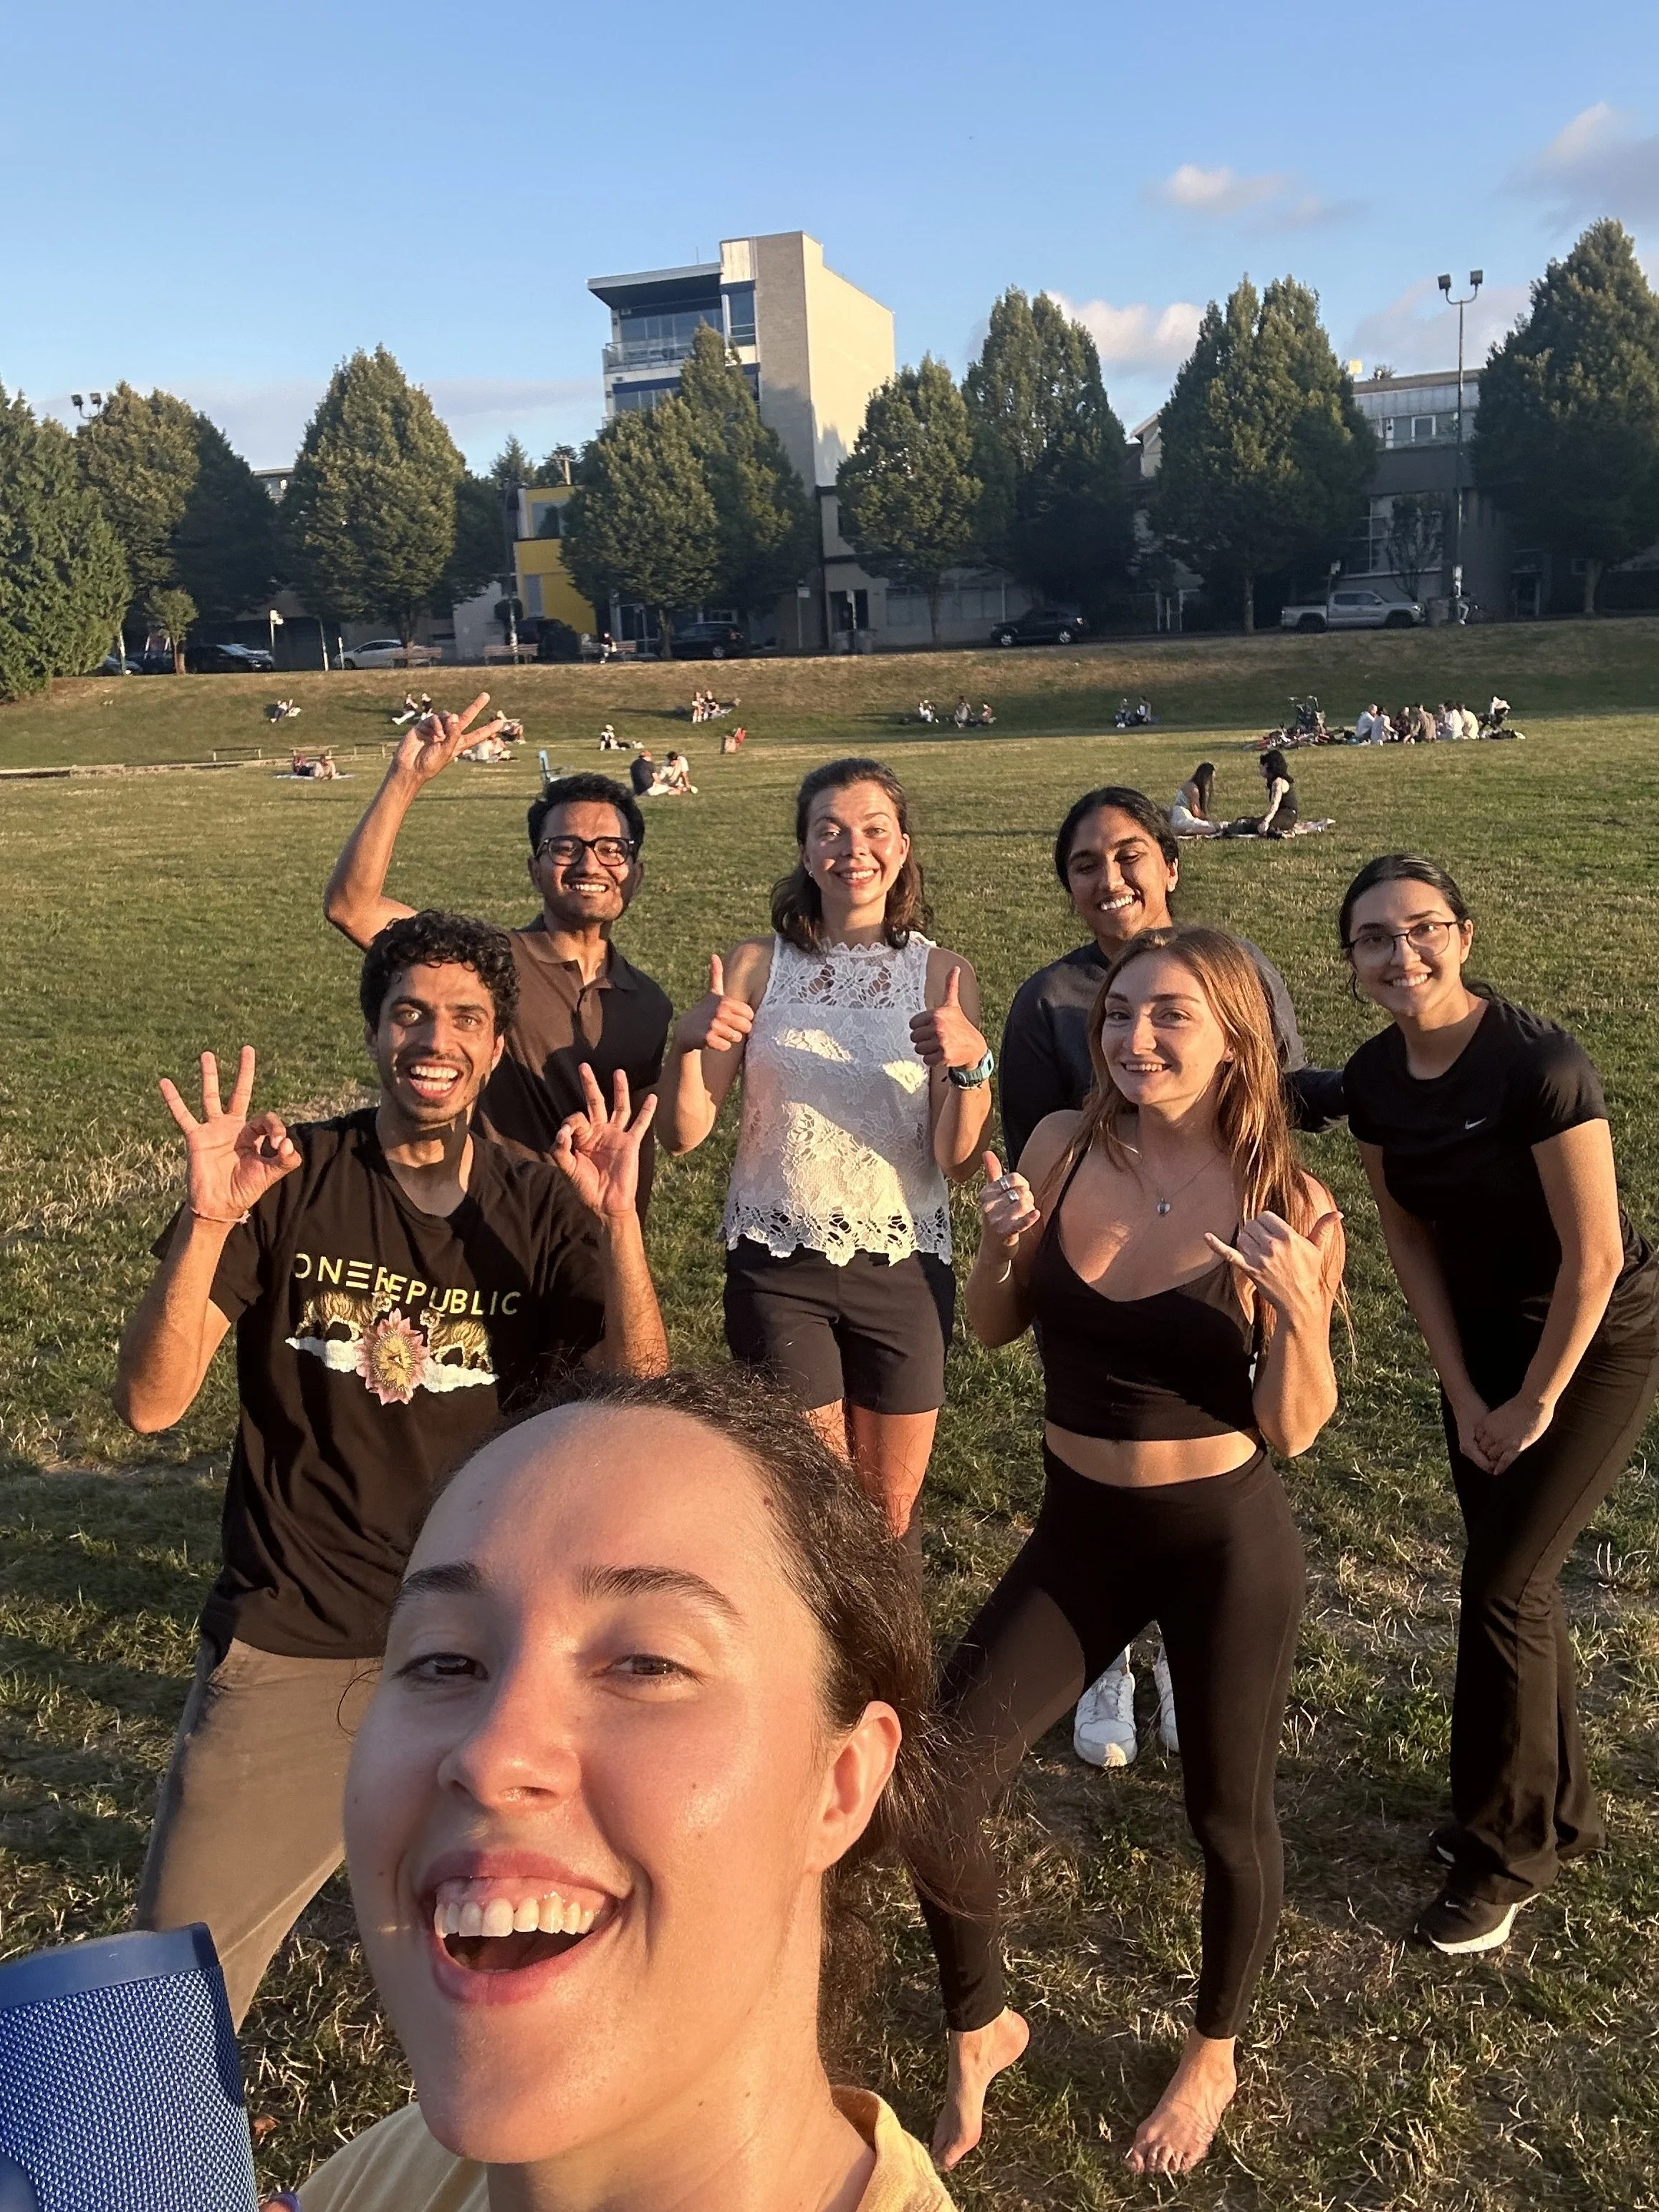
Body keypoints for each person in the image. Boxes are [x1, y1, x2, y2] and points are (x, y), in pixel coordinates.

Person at [115, 912, 668, 2025]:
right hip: (298, 1636)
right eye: (409, 1010)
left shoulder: (536, 1203)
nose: (435, 1037)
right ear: (375, 1030)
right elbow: (151, 1402)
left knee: (529, 1986)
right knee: (164, 2010)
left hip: (480, 1649)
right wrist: (209, 1221)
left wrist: (619, 1225)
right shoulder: (291, 1181)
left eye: (466, 1017)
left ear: (498, 1048)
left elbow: (637, 1409)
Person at [285, 1369, 957, 2212]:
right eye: (445, 1660)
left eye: (647, 1663)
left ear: (842, 1786)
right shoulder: (390, 2173)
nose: (493, 1754)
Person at [918, 926, 1344, 2178]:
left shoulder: (1288, 1198)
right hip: (1080, 1529)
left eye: (1169, 1017)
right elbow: (996, 1329)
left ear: (1232, 1038)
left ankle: (1213, 2047)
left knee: (1225, 1815)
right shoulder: (1057, 1144)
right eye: (1118, 1015)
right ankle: (982, 2019)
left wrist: (1302, 1313)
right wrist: (1001, 1245)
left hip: (1222, 1543)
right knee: (938, 1782)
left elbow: (1294, 1429)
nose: (1135, 1039)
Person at [1340, 856, 1659, 1955]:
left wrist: (1535, 1400)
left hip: (1598, 1335)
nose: (1401, 955)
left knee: (1507, 1585)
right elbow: (1408, 1237)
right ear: (1352, 964)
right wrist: (1466, 1387)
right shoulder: (1374, 1082)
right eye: (1374, 939)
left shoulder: (1540, 1065)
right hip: (1480, 1348)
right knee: (1516, 1583)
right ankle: (1556, 1807)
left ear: (1465, 937)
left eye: (1423, 930)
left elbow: (1599, 1254)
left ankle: (1507, 1854)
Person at [999, 787, 1344, 1769]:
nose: (1109, 879)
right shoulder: (1048, 1000)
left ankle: (1198, 1653)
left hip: (1209, 1273)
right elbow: (1036, 1159)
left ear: (1171, 862)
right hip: (1102, 1267)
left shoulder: (1241, 975)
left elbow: (1276, 1099)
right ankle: (1103, 1663)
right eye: (1083, 864)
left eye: (1129, 854)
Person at [657, 759, 994, 1549]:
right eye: (831, 831)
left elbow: (955, 1156)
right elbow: (685, 1133)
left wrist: (971, 1063)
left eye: (875, 829)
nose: (854, 848)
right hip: (780, 1267)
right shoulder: (754, 965)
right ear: (806, 853)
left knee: (891, 1520)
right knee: (811, 1515)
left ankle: (889, 1675)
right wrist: (686, 1046)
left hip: (904, 1266)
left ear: (903, 846)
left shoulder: (944, 976)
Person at [324, 703, 673, 1205]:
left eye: (612, 849)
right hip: (487, 1229)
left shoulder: (650, 1003)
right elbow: (352, 907)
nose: (589, 863)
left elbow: (634, 1142)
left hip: (589, 1242)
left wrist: (622, 1240)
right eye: (565, 847)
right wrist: (405, 779)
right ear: (534, 870)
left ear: (635, 874)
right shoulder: (483, 962)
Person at [1251, 749, 1299, 838]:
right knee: (1253, 824)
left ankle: (1284, 835)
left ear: (1267, 766)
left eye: (1261, 767)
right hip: (1280, 814)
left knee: (1268, 828)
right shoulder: (1274, 781)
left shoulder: (1278, 782)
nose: (1259, 769)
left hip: (1288, 815)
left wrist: (1266, 821)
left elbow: (1275, 804)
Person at [1169, 762, 1219, 838]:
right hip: (1183, 816)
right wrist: (1207, 818)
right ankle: (1184, 831)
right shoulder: (1194, 790)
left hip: (1176, 816)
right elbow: (1196, 812)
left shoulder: (1189, 784)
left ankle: (1180, 830)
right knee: (1211, 828)